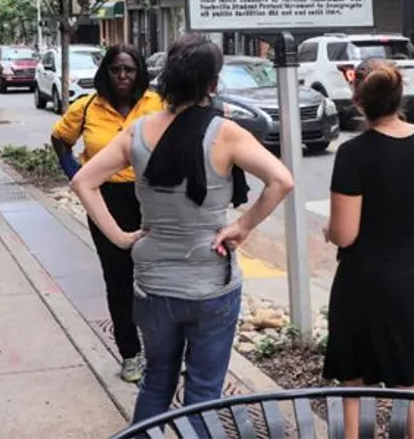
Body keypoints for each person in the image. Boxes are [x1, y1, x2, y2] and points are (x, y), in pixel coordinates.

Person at [71, 34, 293, 430]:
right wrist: (241, 226)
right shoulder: (226, 133)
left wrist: (121, 237)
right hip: (212, 282)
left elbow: (83, 181)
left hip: (153, 283)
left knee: (156, 381)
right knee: (204, 391)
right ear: (212, 84)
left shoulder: (136, 133)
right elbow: (281, 181)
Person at [323, 58, 414, 439]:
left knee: (355, 389)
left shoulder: (354, 154)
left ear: (358, 99)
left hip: (365, 283)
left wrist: (328, 228)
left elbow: (345, 234)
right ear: (400, 96)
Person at [51, 44, 162, 383]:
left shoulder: (156, 105)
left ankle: (164, 350)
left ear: (140, 72)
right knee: (118, 279)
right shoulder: (86, 107)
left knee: (157, 278)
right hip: (106, 200)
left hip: (151, 198)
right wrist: (77, 176)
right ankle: (130, 354)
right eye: (116, 70)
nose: (123, 76)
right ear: (106, 73)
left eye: (130, 69)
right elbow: (59, 139)